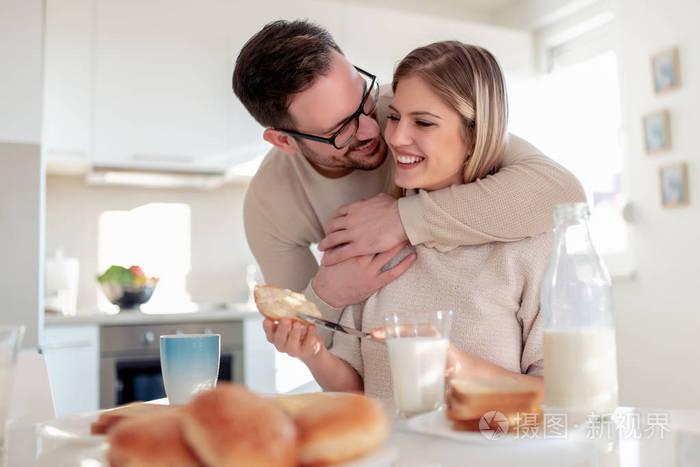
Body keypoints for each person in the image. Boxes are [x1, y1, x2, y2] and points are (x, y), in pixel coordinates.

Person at [232, 20, 583, 339]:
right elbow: (306, 335)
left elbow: (562, 192)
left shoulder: (406, 110)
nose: (377, 129)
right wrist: (329, 296)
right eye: (341, 129)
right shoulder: (269, 206)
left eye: (363, 97)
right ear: (284, 140)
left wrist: (404, 218)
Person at [265, 41, 551, 400]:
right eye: (395, 116)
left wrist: (460, 367)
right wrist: (314, 355)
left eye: (424, 122)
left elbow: (566, 399)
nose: (395, 137)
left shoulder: (529, 244)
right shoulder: (367, 235)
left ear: (475, 134)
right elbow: (358, 386)